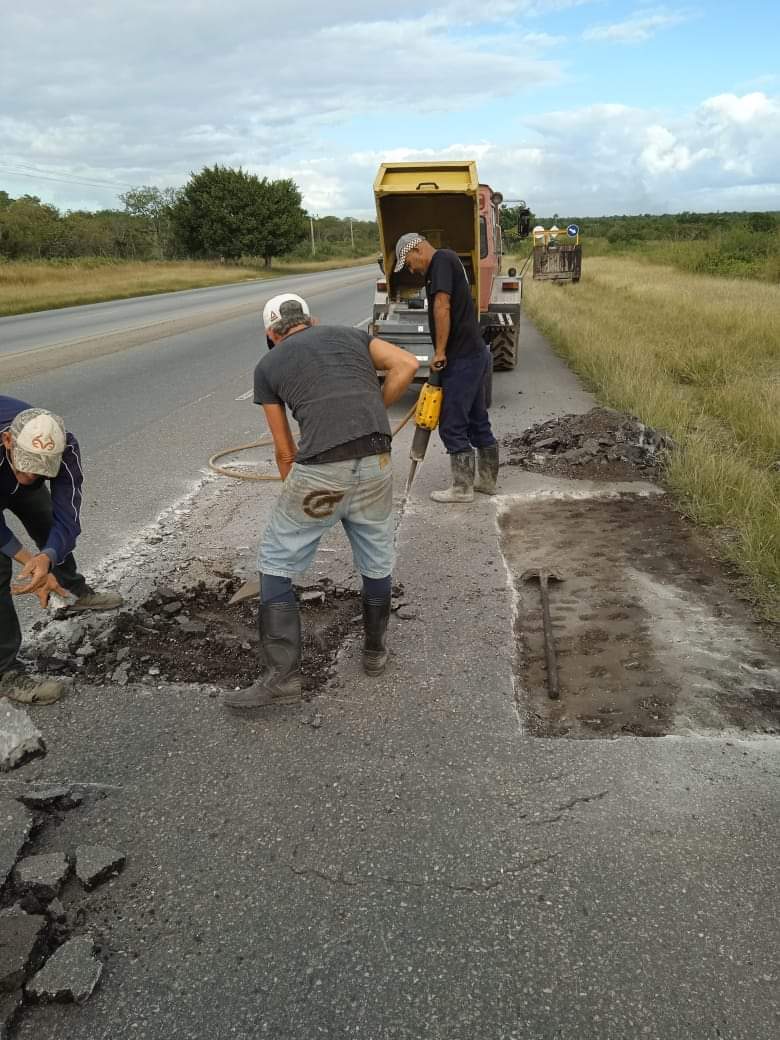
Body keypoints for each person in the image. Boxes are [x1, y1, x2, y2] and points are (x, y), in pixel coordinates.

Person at [224, 293, 419, 711]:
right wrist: (370, 409)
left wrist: (294, 498)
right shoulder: (352, 336)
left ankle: (282, 679)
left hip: (321, 471)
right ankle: (374, 653)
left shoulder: (268, 365)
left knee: (277, 561)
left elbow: (284, 452)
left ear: (270, 335)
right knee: (376, 557)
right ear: (310, 320)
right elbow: (407, 365)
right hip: (376, 461)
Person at [1, 398, 123, 704]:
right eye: (26, 467)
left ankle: (73, 591)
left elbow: (67, 515)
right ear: (7, 441)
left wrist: (48, 556)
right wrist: (30, 560)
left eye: (41, 470)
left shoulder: (64, 445)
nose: (31, 477)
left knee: (48, 523)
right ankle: (6, 672)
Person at [394, 232, 499, 503]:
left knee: (452, 422)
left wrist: (439, 352)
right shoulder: (448, 260)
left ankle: (462, 488)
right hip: (473, 352)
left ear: (417, 249)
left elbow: (442, 305)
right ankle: (486, 481)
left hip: (462, 356)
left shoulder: (440, 261)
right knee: (477, 419)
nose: (412, 269)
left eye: (408, 263)